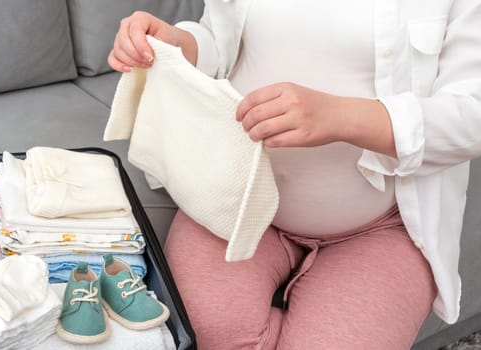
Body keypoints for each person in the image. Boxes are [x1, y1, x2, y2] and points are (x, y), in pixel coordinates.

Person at [109, 1, 481, 349]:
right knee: (201, 331)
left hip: (380, 226)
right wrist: (178, 44)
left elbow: (472, 113)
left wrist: (340, 117)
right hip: (234, 198)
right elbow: (219, 40)